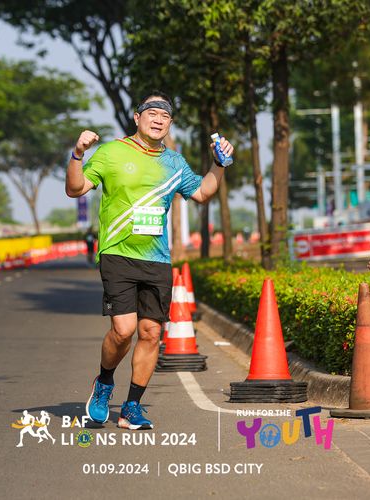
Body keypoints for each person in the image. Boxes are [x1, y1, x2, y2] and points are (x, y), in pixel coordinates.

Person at [65, 90, 232, 430]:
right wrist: (78, 154)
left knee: (151, 332)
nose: (158, 119)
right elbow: (75, 189)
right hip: (118, 253)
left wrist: (219, 165)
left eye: (165, 115)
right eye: (152, 113)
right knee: (123, 330)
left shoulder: (174, 163)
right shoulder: (111, 153)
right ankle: (104, 382)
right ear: (137, 117)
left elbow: (202, 192)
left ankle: (131, 407)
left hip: (156, 259)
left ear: (170, 123)